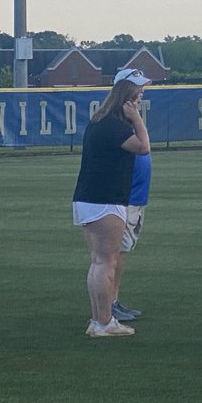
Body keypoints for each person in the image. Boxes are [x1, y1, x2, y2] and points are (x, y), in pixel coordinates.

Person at [72, 68, 152, 338]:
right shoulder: (114, 125)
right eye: (137, 89)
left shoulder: (101, 121)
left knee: (99, 262)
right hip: (104, 201)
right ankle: (104, 322)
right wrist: (137, 119)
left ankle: (99, 320)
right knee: (106, 262)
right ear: (125, 93)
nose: (141, 93)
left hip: (92, 199)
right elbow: (143, 146)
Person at [110, 150, 152, 324]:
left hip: (136, 200)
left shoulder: (133, 136)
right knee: (116, 254)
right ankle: (109, 304)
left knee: (121, 253)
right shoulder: (124, 136)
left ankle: (114, 301)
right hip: (127, 201)